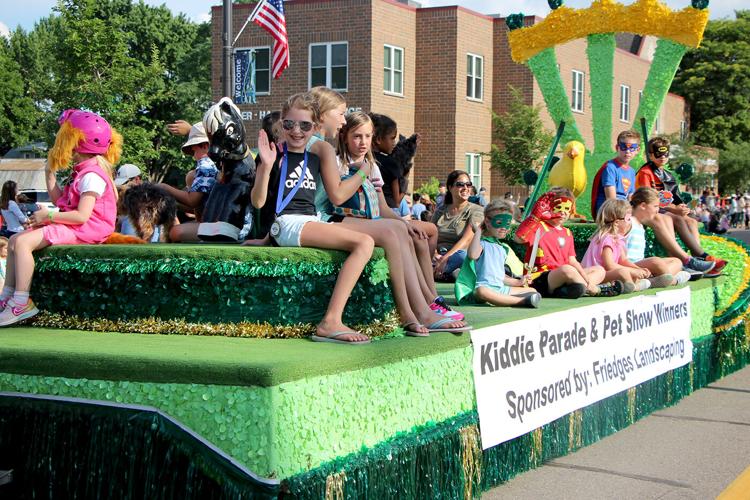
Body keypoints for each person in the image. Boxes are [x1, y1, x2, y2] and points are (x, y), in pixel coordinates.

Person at [252, 92, 376, 344]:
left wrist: (266, 240)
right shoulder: (274, 154)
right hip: (288, 224)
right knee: (364, 243)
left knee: (367, 239)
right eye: (289, 124)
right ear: (281, 124)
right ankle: (330, 321)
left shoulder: (316, 155)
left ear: (315, 127)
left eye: (304, 125)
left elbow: (329, 196)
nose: (296, 131)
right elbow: (259, 202)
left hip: (307, 221)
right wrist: (265, 167)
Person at [330, 111, 468, 334]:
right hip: (342, 218)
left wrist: (405, 223)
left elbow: (382, 207)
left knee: (410, 230)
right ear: (344, 135)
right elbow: (333, 199)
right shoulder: (337, 163)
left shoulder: (371, 165)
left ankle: (426, 303)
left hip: (371, 219)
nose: (362, 142)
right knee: (395, 229)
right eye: (357, 136)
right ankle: (412, 311)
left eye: (367, 136)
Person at [0, 109, 121, 326]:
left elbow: (82, 216)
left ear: (77, 142)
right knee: (14, 241)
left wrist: (49, 216)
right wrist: (49, 173)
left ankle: (21, 302)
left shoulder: (92, 175)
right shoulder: (83, 172)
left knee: (24, 242)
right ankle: (6, 297)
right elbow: (60, 201)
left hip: (87, 228)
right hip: (79, 226)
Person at [635, 137, 726, 275]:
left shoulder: (668, 175)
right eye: (658, 154)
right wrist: (673, 209)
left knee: (691, 221)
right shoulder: (645, 173)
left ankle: (698, 259)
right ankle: (694, 258)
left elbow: (676, 198)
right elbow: (647, 197)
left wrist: (683, 208)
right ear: (651, 155)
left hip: (665, 210)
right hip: (651, 210)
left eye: (665, 154)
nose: (663, 157)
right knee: (675, 218)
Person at [517, 188, 622, 298]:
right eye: (558, 208)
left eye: (567, 208)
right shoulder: (538, 226)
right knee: (567, 270)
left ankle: (576, 289)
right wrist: (534, 218)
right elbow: (519, 239)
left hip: (565, 276)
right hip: (540, 278)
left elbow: (573, 261)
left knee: (599, 270)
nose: (562, 212)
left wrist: (586, 279)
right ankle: (596, 290)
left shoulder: (567, 233)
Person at [461, 200, 541, 307]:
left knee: (532, 290)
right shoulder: (482, 243)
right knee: (482, 291)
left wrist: (519, 282)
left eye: (507, 224)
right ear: (488, 222)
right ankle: (521, 301)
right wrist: (478, 232)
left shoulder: (502, 248)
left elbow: (499, 276)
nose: (503, 228)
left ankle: (505, 299)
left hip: (499, 289)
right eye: (499, 223)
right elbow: (472, 255)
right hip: (481, 289)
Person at [160, 122, 219, 242]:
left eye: (194, 150)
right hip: (216, 219)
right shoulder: (217, 163)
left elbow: (192, 201)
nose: (193, 155)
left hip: (219, 224)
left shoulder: (206, 165)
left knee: (175, 232)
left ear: (206, 146)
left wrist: (164, 188)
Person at [582, 199, 652, 293]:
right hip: (598, 275)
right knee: (623, 272)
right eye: (628, 219)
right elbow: (609, 265)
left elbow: (623, 260)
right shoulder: (607, 239)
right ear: (616, 223)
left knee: (627, 272)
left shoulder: (618, 239)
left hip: (607, 274)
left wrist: (638, 269)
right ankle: (634, 287)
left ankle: (636, 284)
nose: (630, 223)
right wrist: (632, 271)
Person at [627, 188, 692, 286]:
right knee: (655, 261)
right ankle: (672, 280)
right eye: (655, 206)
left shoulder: (640, 224)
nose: (657, 210)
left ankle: (654, 279)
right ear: (643, 206)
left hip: (641, 266)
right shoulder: (629, 222)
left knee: (676, 261)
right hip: (630, 266)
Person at [431, 171, 484, 281]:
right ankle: (449, 274)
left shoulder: (476, 210)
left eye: (468, 184)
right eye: (460, 184)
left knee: (463, 256)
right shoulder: (440, 210)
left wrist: (445, 258)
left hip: (458, 256)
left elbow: (467, 239)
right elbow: (430, 235)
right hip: (438, 257)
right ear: (450, 188)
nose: (465, 188)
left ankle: (437, 273)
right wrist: (434, 254)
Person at [590, 130, 640, 217]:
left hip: (623, 210)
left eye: (632, 148)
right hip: (608, 211)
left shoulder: (631, 171)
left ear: (637, 150)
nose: (628, 151)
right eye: (624, 147)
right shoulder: (610, 167)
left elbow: (630, 197)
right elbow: (611, 199)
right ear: (617, 147)